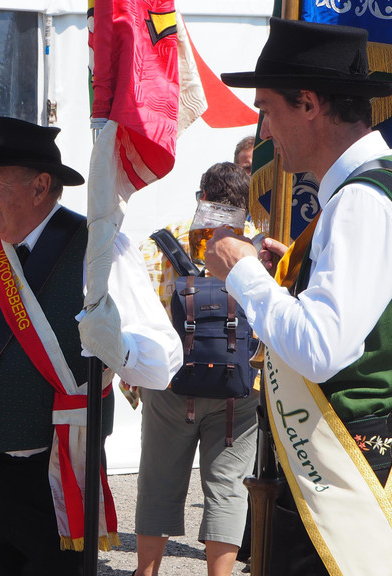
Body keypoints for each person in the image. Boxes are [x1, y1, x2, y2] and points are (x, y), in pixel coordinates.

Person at [210, 19, 392, 575]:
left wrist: (243, 274)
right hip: (371, 461)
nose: (265, 132)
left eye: (269, 110)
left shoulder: (362, 202)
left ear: (310, 104)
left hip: (342, 477)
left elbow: (319, 348)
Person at [0, 116, 182, 576]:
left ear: (40, 186)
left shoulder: (101, 251)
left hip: (63, 478)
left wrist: (119, 347)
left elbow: (164, 363)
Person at [134, 162, 259, 576]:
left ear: (202, 196)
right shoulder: (260, 246)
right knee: (228, 487)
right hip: (238, 389)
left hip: (171, 385)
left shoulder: (159, 244)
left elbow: (135, 317)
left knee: (158, 480)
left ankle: (147, 572)